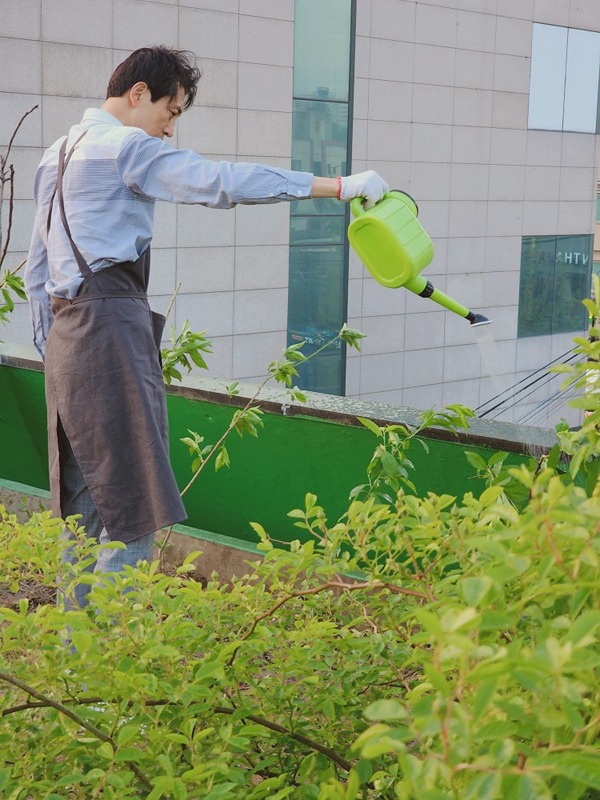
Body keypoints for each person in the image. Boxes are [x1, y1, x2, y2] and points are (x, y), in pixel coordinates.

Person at [24, 46, 389, 608]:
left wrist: (55, 353)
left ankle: (71, 657)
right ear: (139, 93)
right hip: (112, 335)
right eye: (171, 112)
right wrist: (336, 186)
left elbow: (37, 274)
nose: (169, 130)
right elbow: (220, 181)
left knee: (81, 507)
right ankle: (99, 666)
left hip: (67, 343)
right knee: (136, 511)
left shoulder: (55, 154)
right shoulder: (125, 148)